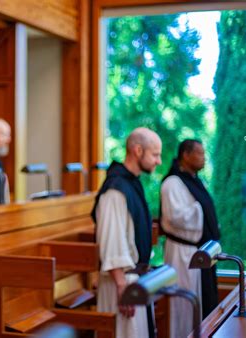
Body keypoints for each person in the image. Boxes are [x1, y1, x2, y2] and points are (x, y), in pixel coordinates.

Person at [91, 127, 162, 338]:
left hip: (133, 280)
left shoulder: (131, 183)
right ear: (138, 150)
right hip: (120, 284)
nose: (158, 161)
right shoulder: (115, 189)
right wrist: (122, 286)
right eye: (155, 154)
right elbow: (111, 238)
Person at [160, 139, 220, 338]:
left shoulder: (194, 180)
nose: (203, 158)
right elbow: (176, 217)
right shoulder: (172, 183)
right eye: (199, 154)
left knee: (203, 303)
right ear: (185, 155)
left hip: (199, 252)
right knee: (185, 306)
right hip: (183, 255)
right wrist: (201, 210)